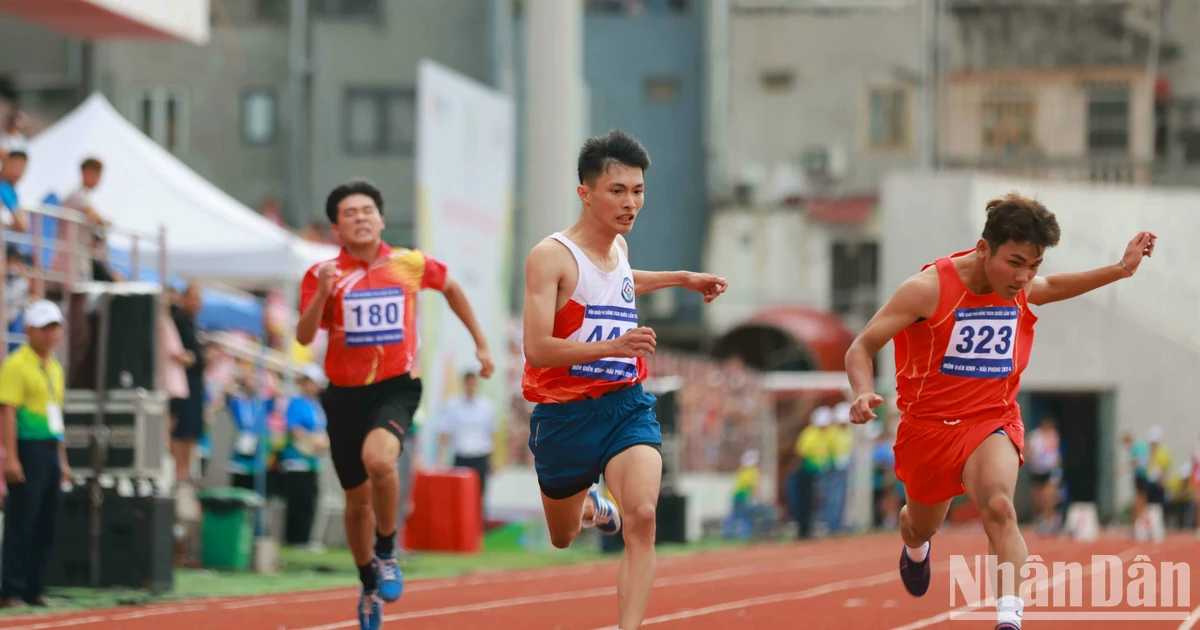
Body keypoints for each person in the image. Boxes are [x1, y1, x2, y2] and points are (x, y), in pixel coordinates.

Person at [844, 192, 1155, 630]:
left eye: (1033, 265)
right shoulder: (927, 290)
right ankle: (915, 546)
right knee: (921, 525)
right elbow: (862, 346)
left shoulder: (1022, 286)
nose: (1024, 277)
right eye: (1015, 263)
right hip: (927, 429)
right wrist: (860, 392)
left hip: (991, 419)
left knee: (999, 507)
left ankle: (1009, 620)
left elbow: (1052, 287)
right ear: (984, 247)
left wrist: (1121, 269)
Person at [521, 129, 727, 630]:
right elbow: (537, 349)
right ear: (585, 192)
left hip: (625, 406)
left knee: (642, 518)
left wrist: (681, 278)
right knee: (563, 536)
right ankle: (591, 502)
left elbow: (626, 282)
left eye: (637, 191)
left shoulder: (620, 251)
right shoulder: (550, 257)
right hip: (564, 416)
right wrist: (611, 346)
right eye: (617, 191)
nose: (630, 202)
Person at [296, 179, 493, 630]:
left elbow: (452, 288)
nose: (361, 217)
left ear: (381, 219)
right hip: (344, 395)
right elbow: (305, 336)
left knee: (380, 462)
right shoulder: (322, 274)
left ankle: (387, 552)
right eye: (350, 212)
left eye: (368, 210)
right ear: (336, 227)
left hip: (396, 387)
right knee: (355, 502)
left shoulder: (408, 263)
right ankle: (368, 584)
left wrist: (481, 344)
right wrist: (324, 293)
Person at [0, 300, 70, 608]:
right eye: (45, 328)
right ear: (29, 330)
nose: (51, 334)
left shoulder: (54, 367)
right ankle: (12, 589)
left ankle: (34, 586)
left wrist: (63, 460)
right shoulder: (16, 364)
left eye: (55, 327)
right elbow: (8, 412)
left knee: (46, 522)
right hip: (27, 449)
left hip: (50, 450)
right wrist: (11, 457)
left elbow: (56, 417)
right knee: (22, 521)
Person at [436, 371, 496, 529]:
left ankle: (476, 531)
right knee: (459, 496)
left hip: (480, 455)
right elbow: (444, 432)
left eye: (474, 383)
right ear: (464, 384)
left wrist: (493, 460)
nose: (471, 387)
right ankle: (459, 529)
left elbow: (491, 434)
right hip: (461, 455)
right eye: (468, 383)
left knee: (480, 495)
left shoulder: (486, 406)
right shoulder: (452, 405)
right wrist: (441, 458)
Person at [279, 364, 330, 546]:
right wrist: (312, 441)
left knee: (310, 499)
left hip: (313, 461)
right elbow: (295, 430)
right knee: (297, 500)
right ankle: (295, 539)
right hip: (296, 460)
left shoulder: (317, 406)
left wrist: (322, 443)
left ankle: (305, 537)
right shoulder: (296, 402)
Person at [1026, 416, 1062, 535]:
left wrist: (1057, 467)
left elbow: (1055, 453)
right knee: (1037, 499)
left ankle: (1049, 521)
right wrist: (1029, 458)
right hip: (1037, 470)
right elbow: (1027, 450)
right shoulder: (1034, 436)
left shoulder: (1053, 435)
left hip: (1050, 470)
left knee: (1049, 497)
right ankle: (1039, 520)